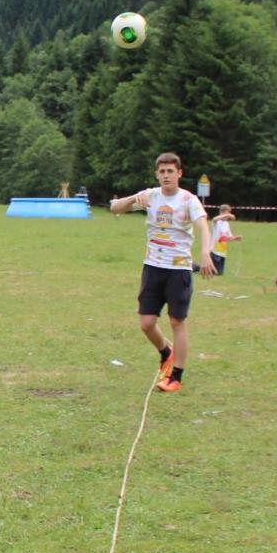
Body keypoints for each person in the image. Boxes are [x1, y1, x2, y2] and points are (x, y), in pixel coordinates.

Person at [110, 152, 216, 393]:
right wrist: (134, 198)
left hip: (178, 270)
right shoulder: (151, 196)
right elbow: (115, 208)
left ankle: (176, 376)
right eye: (162, 172)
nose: (166, 175)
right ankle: (166, 353)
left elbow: (203, 226)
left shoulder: (189, 200)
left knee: (177, 322)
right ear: (157, 175)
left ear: (179, 173)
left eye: (170, 171)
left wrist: (205, 253)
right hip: (152, 267)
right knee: (146, 323)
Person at [210, 204, 242, 276]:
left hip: (222, 252)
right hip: (215, 251)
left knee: (220, 273)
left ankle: (201, 267)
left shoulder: (226, 224)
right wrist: (228, 215)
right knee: (215, 273)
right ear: (221, 212)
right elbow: (214, 219)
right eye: (226, 214)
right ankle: (199, 267)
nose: (228, 217)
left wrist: (235, 238)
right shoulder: (216, 222)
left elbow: (228, 237)